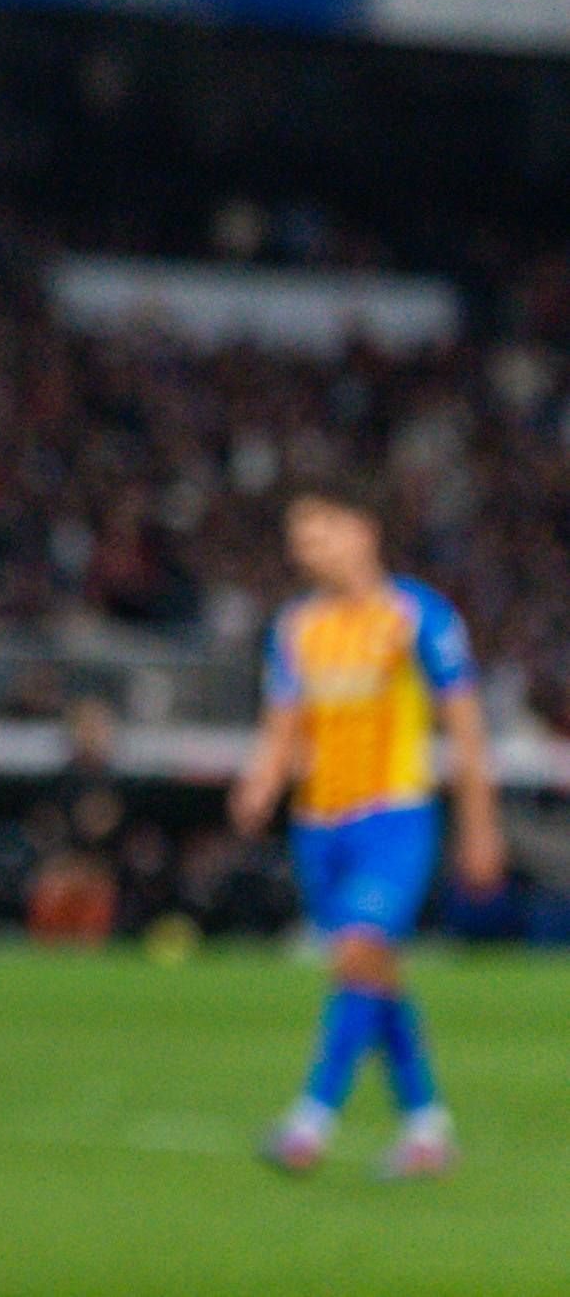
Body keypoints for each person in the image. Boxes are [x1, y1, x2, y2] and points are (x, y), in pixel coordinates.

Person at [228, 490, 506, 1180]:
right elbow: (283, 725)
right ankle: (428, 1126)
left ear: (363, 527)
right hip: (318, 826)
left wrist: (479, 826)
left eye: (319, 528)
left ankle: (310, 1119)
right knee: (372, 972)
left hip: (396, 818)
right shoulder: (295, 627)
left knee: (359, 953)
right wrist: (261, 780)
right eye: (298, 534)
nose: (306, 546)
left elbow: (466, 729)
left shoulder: (418, 616)